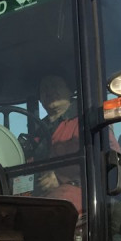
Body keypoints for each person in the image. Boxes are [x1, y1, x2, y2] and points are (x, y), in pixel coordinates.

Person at [34, 74, 83, 210]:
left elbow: (103, 159)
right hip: (41, 194)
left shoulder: (87, 120)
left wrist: (60, 177)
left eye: (55, 85)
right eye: (44, 88)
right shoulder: (38, 131)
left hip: (79, 193)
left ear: (70, 90)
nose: (50, 91)